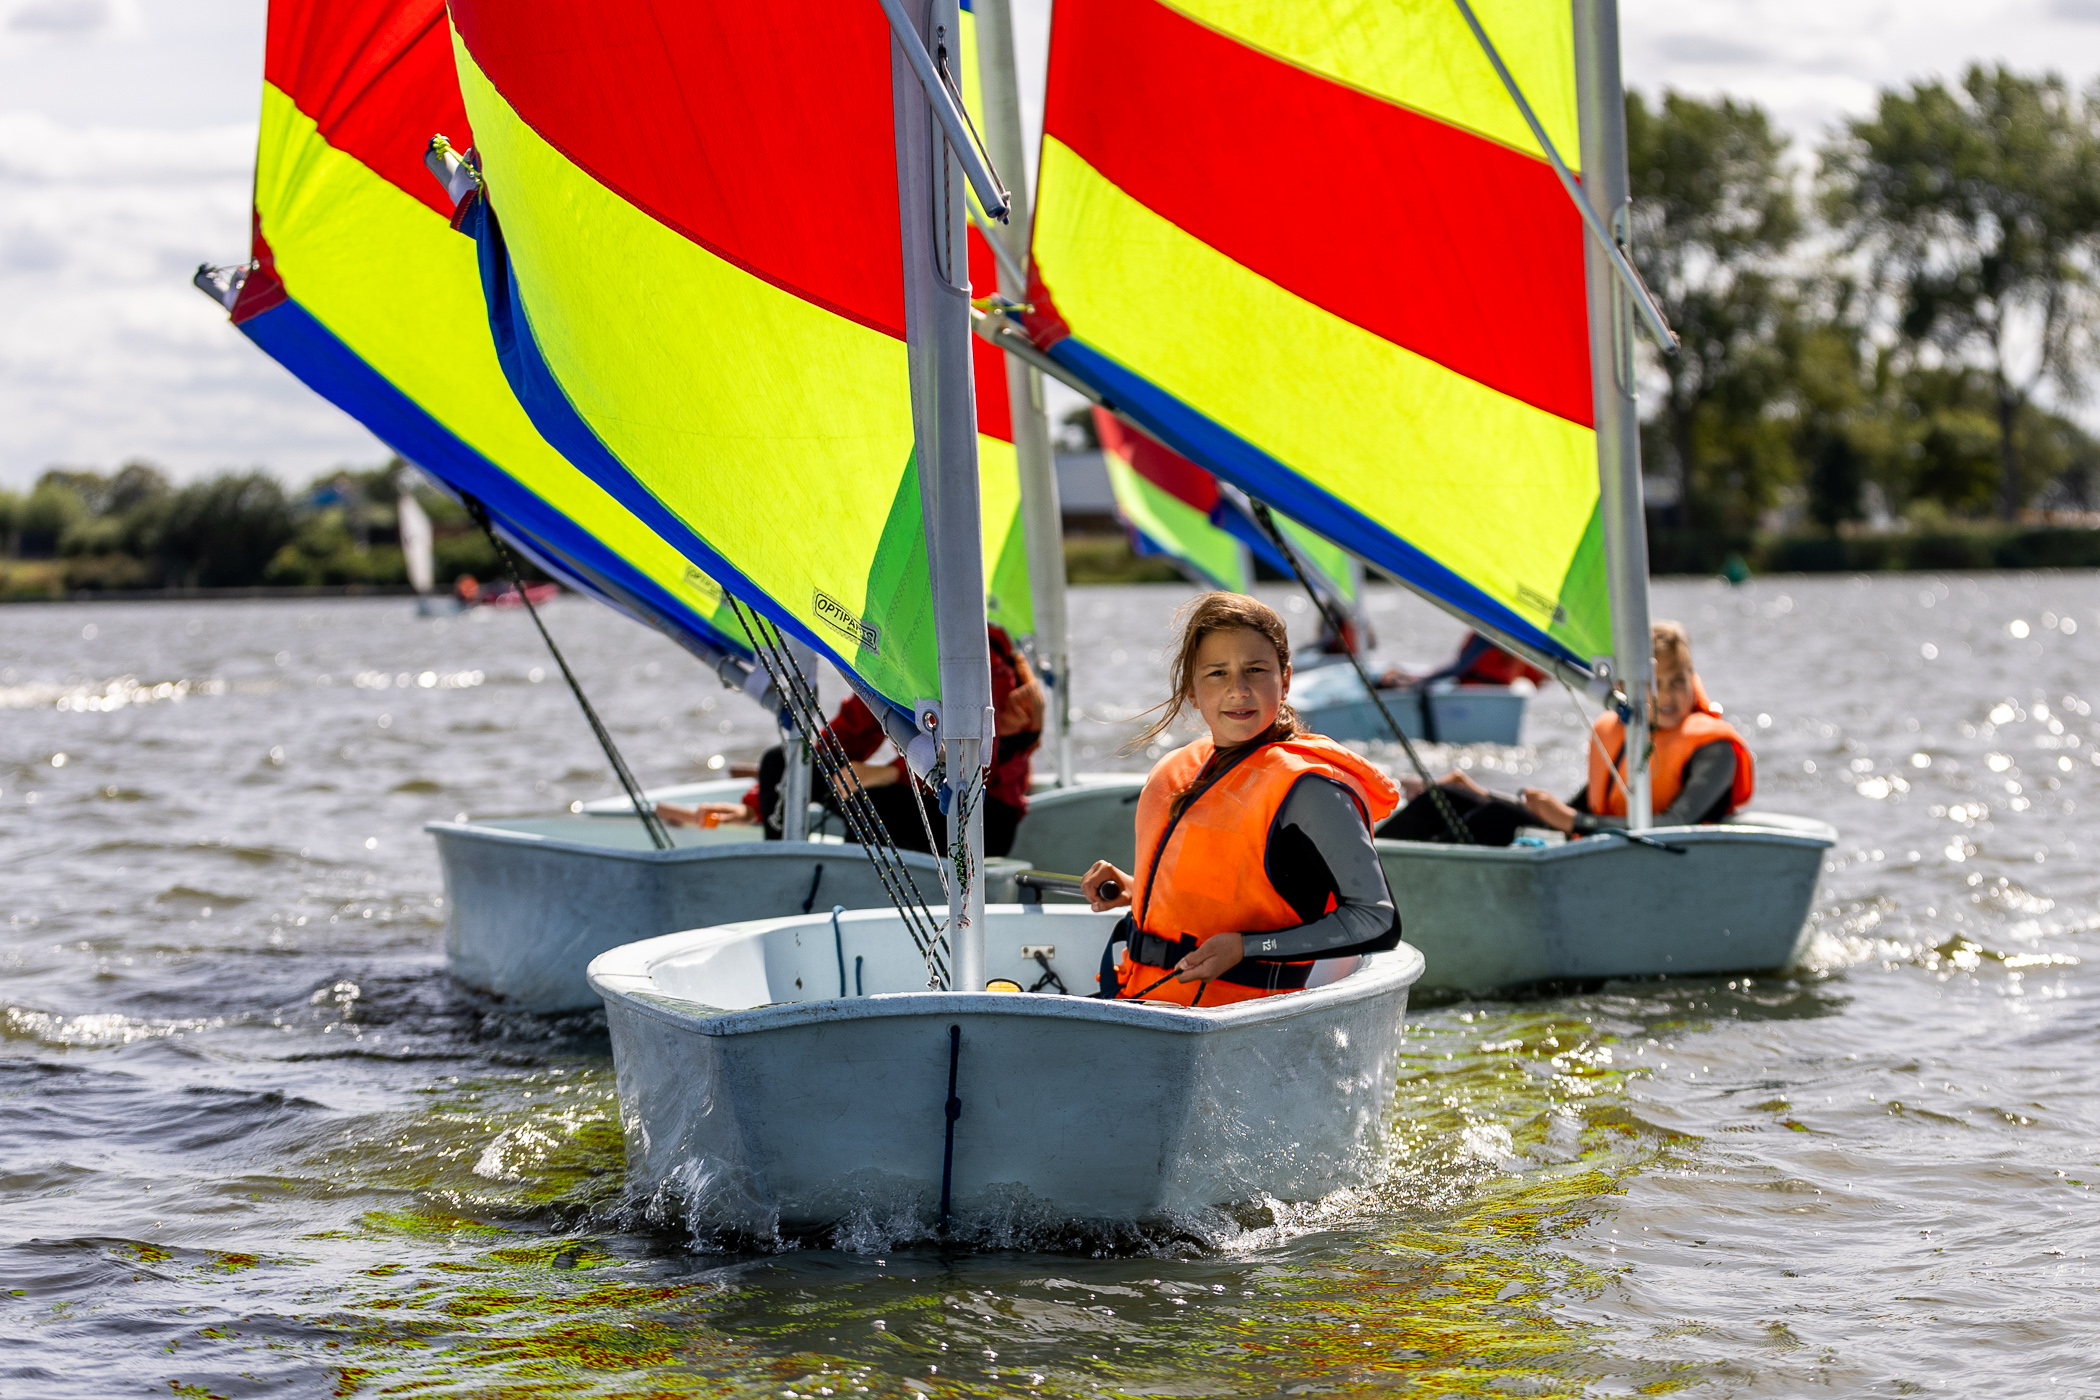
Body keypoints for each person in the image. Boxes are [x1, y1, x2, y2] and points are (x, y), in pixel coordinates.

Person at [1078, 593, 1403, 1005]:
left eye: (1256, 670)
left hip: (1234, 1023)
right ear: (1191, 690)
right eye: (1217, 673)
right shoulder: (1178, 769)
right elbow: (1222, 887)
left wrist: (1246, 948)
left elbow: (1377, 921)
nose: (1239, 689)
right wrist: (1136, 888)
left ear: (1284, 680)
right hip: (1138, 1000)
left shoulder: (1309, 788)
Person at [657, 624, 1045, 857]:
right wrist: (760, 801)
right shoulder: (890, 655)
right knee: (781, 760)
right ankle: (783, 864)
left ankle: (861, 882)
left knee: (869, 798)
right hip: (921, 794)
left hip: (984, 814)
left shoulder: (982, 657)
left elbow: (982, 753)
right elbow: (849, 735)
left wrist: (885, 774)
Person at [1376, 620, 1754, 845]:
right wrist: (1479, 791)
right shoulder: (1624, 733)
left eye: (1679, 681)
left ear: (1694, 679)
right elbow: (1575, 810)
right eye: (1655, 684)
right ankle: (1374, 867)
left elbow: (1676, 825)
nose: (1669, 695)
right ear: (1631, 686)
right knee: (1451, 796)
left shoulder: (1713, 749)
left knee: (1489, 822)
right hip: (1604, 847)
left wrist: (1575, 824)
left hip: (1657, 858)